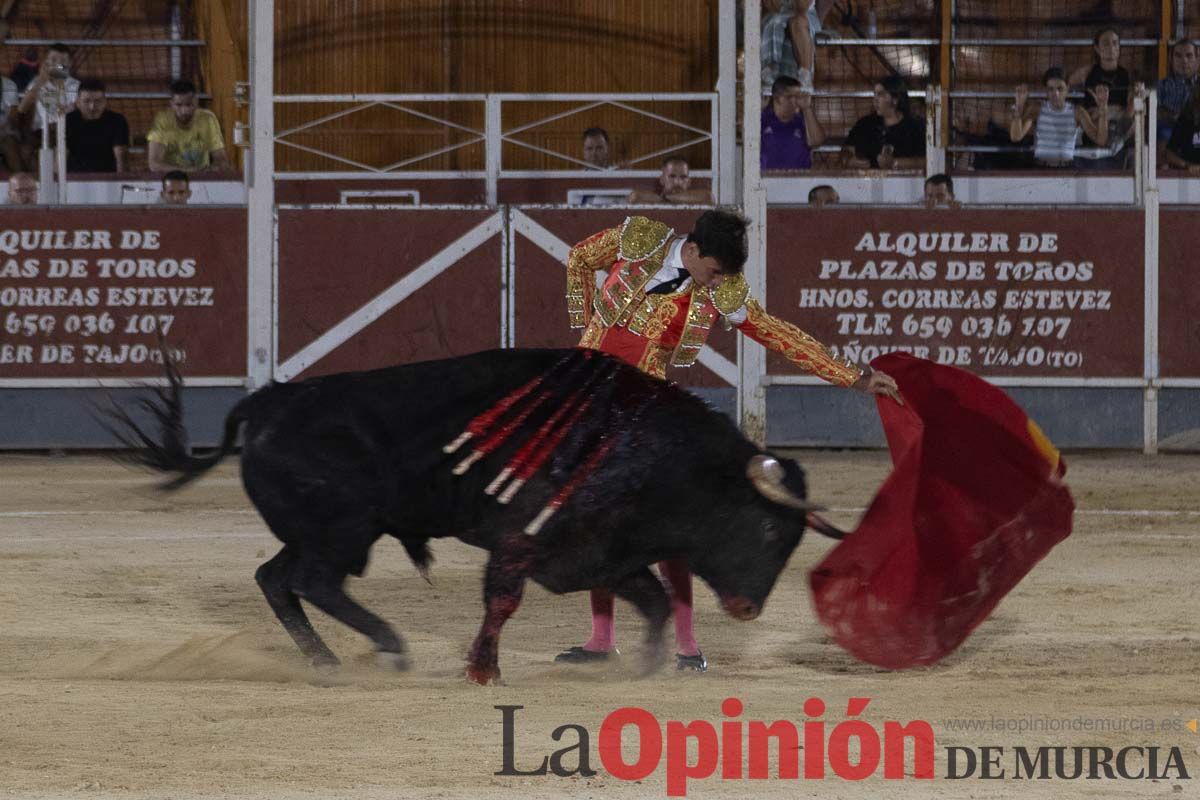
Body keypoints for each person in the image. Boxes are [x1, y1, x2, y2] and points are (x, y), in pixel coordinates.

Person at [560, 210, 901, 671]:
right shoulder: (637, 238)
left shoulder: (719, 290)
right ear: (695, 249)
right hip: (592, 401)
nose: (717, 281)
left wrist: (854, 377)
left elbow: (777, 333)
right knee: (599, 520)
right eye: (715, 270)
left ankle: (688, 648)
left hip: (646, 414)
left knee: (664, 528)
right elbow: (579, 257)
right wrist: (583, 333)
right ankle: (601, 640)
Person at [1068, 27, 1140, 169]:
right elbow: (1066, 85)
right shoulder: (1087, 72)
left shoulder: (1127, 74)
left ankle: (1116, 141)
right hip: (1095, 122)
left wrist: (1120, 117)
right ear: (1097, 48)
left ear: (1119, 47)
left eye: (1115, 43)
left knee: (1137, 114)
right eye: (1106, 43)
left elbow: (1131, 104)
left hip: (1119, 123)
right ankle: (1108, 142)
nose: (1111, 48)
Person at [1009, 67, 1109, 167]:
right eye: (1051, 89)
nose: (1055, 94)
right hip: (1040, 168)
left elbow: (1101, 140)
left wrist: (1103, 109)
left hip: (1066, 169)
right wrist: (1019, 107)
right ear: (1046, 91)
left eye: (1060, 89)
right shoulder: (1037, 109)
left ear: (1067, 89)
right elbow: (1016, 137)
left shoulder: (1077, 111)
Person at [15, 43, 79, 170]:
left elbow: (71, 113)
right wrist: (42, 79)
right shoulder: (37, 82)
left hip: (65, 131)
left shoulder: (76, 86)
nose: (58, 63)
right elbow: (22, 108)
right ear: (46, 62)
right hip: (38, 132)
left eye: (63, 60)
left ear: (70, 63)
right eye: (54, 59)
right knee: (24, 152)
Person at [147, 79, 230, 173]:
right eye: (178, 105)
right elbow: (154, 164)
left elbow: (222, 160)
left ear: (196, 102)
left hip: (202, 180)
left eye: (188, 105)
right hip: (172, 179)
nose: (184, 111)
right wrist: (189, 171)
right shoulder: (163, 120)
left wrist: (210, 170)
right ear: (171, 104)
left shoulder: (207, 119)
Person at [844, 75, 926, 170]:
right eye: (874, 94)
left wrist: (894, 163)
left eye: (881, 94)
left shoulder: (914, 126)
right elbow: (846, 151)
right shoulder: (864, 124)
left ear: (895, 100)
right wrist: (849, 160)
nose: (875, 100)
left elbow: (925, 161)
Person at [760, 0, 836, 91]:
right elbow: (774, 8)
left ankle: (805, 75)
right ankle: (769, 69)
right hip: (781, 14)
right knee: (771, 22)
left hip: (807, 15)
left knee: (798, 22)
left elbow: (802, 8)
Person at [64, 79, 130, 173]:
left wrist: (120, 182)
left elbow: (121, 157)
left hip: (108, 179)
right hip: (74, 179)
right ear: (77, 102)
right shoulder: (68, 121)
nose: (92, 107)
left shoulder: (117, 121)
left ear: (105, 101)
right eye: (86, 101)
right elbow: (60, 156)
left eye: (98, 101)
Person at [761, 74, 825, 170]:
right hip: (768, 181)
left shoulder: (803, 120)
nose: (799, 100)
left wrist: (807, 108)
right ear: (780, 98)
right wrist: (756, 112)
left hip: (799, 181)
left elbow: (816, 142)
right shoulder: (763, 118)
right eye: (795, 97)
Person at [1157, 40, 1199, 145]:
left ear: (1197, 60)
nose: (1184, 60)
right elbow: (1154, 113)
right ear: (1171, 60)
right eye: (1178, 56)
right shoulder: (1162, 85)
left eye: (1189, 56)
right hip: (1170, 133)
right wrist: (1173, 116)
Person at [627, 156, 715, 204]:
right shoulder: (652, 196)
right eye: (672, 176)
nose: (677, 182)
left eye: (683, 177)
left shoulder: (700, 197)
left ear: (689, 181)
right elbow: (635, 196)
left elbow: (708, 197)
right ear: (662, 180)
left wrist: (667, 199)